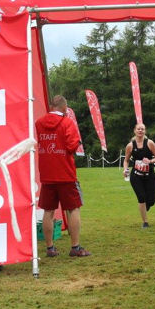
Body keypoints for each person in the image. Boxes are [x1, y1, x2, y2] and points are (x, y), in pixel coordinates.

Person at [35, 95, 91, 257]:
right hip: (65, 173)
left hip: (47, 174)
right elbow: (72, 145)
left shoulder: (39, 123)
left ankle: (50, 248)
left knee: (48, 211)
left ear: (51, 106)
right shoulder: (67, 123)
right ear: (65, 108)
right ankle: (75, 247)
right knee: (73, 208)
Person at [123, 123, 155, 228]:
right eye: (138, 129)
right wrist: (125, 169)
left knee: (151, 201)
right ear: (134, 131)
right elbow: (126, 160)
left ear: (145, 131)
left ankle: (146, 206)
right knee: (141, 198)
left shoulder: (150, 143)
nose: (140, 131)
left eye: (142, 129)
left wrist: (150, 161)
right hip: (136, 176)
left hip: (149, 175)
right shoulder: (130, 146)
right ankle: (145, 222)